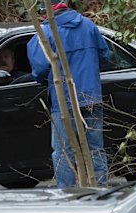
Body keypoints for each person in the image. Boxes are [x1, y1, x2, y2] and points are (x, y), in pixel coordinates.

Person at [27, 0, 110, 187]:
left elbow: (38, 69)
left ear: (47, 11)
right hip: (91, 96)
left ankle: (66, 194)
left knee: (63, 151)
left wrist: (43, 80)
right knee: (96, 148)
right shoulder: (89, 26)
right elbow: (105, 57)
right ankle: (101, 190)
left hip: (63, 100)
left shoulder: (46, 33)